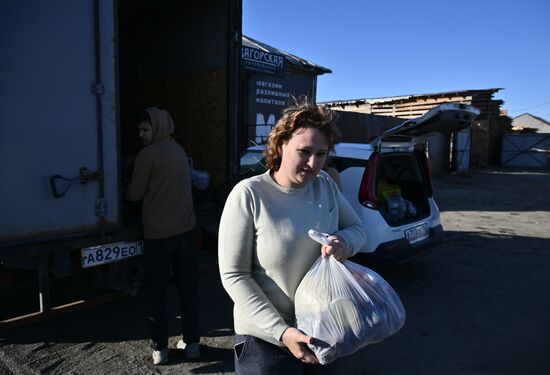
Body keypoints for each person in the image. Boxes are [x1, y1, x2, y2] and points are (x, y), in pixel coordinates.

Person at [218, 99, 366, 374]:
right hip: (265, 343)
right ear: (280, 145)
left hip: (322, 332)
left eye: (321, 154)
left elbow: (358, 231)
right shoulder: (249, 194)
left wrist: (344, 243)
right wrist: (282, 332)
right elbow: (234, 275)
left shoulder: (325, 187)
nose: (313, 163)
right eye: (304, 151)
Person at [127, 107, 200, 365]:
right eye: (139, 130)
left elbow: (134, 194)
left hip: (158, 236)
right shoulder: (179, 150)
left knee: (157, 294)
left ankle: (160, 350)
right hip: (186, 232)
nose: (141, 134)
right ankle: (192, 345)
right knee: (187, 290)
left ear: (156, 127)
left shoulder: (147, 155)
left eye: (145, 129)